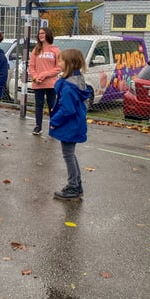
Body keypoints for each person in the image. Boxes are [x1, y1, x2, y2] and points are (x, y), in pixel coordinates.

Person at [49, 49, 92, 200]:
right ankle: (76, 185)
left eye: (60, 61)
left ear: (69, 64)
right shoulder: (77, 81)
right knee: (70, 155)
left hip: (70, 126)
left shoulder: (68, 86)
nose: (58, 63)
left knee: (68, 155)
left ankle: (73, 186)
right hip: (74, 125)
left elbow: (67, 109)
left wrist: (54, 121)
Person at [29, 26, 61, 135]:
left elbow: (58, 68)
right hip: (38, 83)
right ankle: (38, 126)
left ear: (48, 34)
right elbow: (31, 66)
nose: (41, 35)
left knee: (52, 105)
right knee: (39, 105)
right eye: (39, 34)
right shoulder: (36, 50)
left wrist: (45, 74)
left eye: (43, 33)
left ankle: (53, 126)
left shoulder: (55, 50)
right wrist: (35, 77)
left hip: (51, 84)